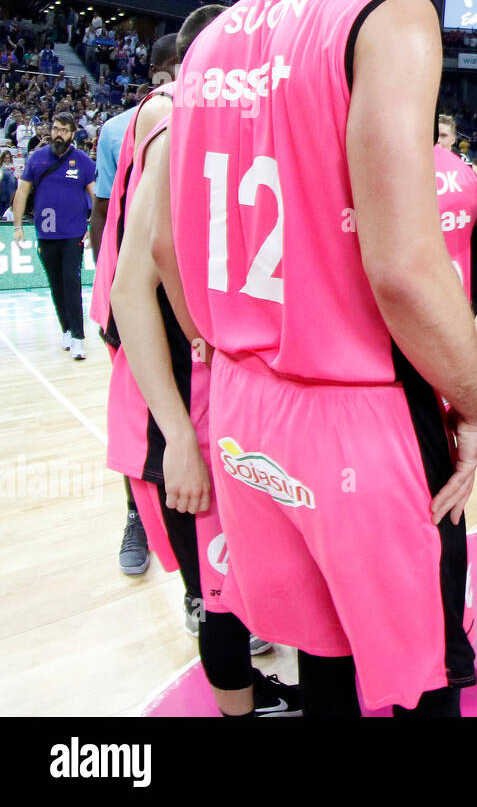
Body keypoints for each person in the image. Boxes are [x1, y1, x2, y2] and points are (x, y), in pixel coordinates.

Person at [166, 0, 477, 716]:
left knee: (323, 667)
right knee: (418, 681)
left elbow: (167, 247)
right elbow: (402, 265)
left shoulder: (212, 39)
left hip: (243, 408)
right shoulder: (391, 10)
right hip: (356, 410)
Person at [105, 68, 297, 716]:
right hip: (189, 410)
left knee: (236, 586)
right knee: (215, 592)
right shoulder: (169, 128)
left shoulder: (229, 137)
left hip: (237, 405)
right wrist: (179, 437)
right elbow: (128, 291)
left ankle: (248, 681)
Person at [88, 33, 179, 579]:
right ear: (161, 72)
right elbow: (104, 212)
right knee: (139, 417)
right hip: (131, 296)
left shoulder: (221, 111)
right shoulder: (120, 127)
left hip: (187, 297)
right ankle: (136, 519)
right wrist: (113, 300)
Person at [11, 112, 95, 359]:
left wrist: (93, 225)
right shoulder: (37, 158)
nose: (59, 134)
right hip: (46, 233)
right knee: (56, 284)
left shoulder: (82, 161)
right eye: (56, 128)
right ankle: (67, 330)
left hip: (73, 232)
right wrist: (18, 226)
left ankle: (79, 338)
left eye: (65, 130)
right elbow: (22, 192)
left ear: (72, 134)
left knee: (71, 281)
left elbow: (95, 195)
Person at [437, 112, 477, 308]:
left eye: (444, 135)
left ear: (454, 139)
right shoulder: (419, 169)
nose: (439, 140)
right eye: (436, 134)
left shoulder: (472, 171)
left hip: (469, 254)